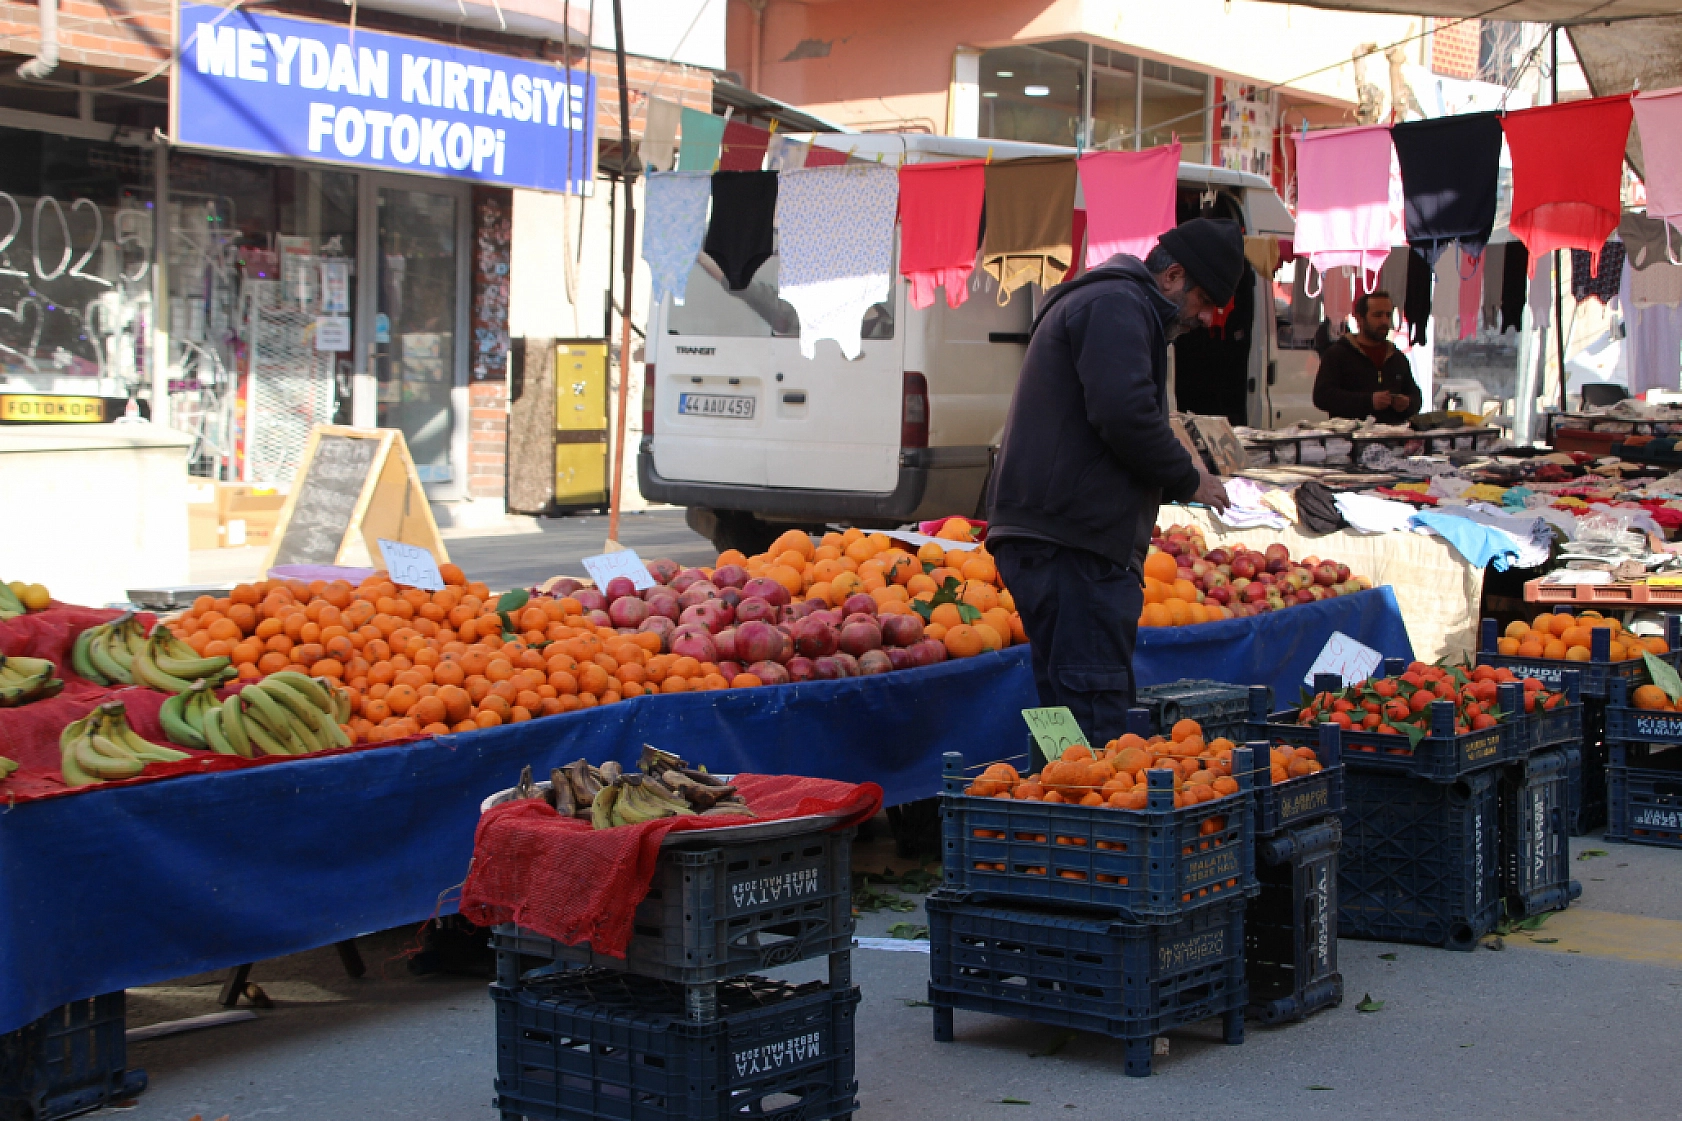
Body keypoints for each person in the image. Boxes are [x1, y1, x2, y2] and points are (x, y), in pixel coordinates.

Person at [987, 218, 1240, 746]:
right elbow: (1125, 413)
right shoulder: (1117, 305)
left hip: (1054, 543)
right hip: (1074, 550)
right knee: (1095, 716)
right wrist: (1189, 479)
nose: (1207, 317)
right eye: (1206, 299)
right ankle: (1091, 820)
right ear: (1173, 275)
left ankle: (1058, 805)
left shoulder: (1109, 302)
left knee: (1063, 710)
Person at [1311, 290, 1423, 424]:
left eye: (1388, 315)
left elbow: (1415, 397)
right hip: (1352, 440)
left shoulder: (1397, 357)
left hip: (1393, 438)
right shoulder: (1337, 355)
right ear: (1360, 319)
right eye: (1377, 315)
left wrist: (1407, 403)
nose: (1384, 321)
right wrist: (1368, 401)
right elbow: (1322, 396)